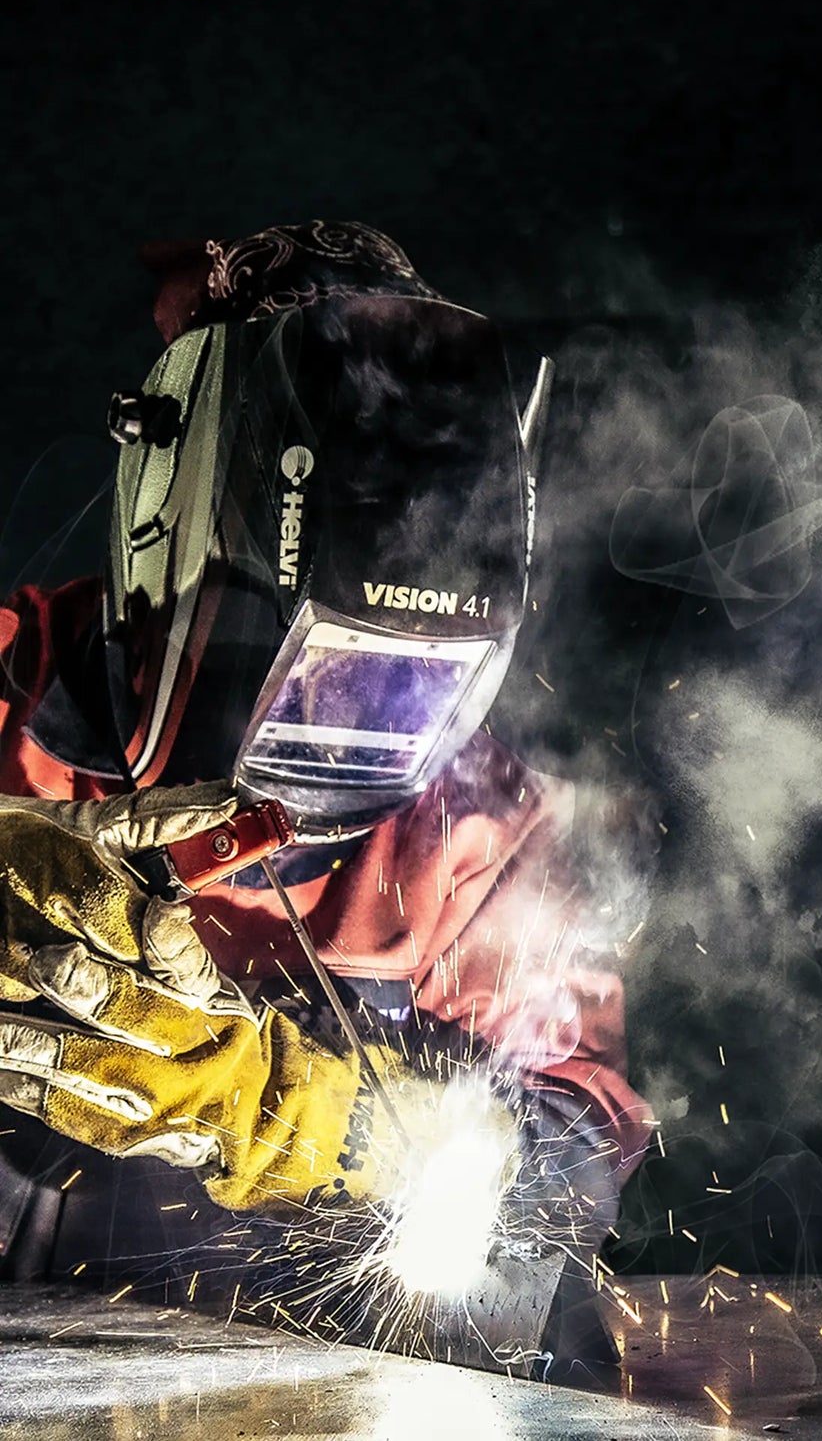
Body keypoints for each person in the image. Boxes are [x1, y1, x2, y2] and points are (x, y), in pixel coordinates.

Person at [0, 221, 651, 1367]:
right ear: (177, 537)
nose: (347, 734)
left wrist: (308, 1113)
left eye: (406, 688)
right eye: (310, 669)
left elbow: (570, 1161)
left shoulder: (484, 830)